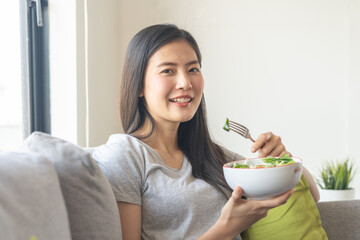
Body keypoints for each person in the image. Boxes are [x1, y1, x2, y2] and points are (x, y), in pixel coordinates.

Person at [91, 24, 327, 240]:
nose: (185, 82)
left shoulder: (212, 156)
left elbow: (312, 194)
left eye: (193, 69)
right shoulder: (124, 156)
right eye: (167, 71)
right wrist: (226, 228)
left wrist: (281, 159)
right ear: (139, 85)